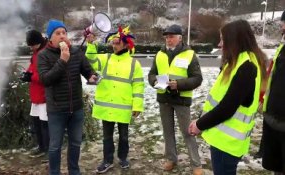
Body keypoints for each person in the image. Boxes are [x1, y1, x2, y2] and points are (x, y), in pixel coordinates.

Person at [188, 19, 267, 175]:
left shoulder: (246, 67)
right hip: (223, 140)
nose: (220, 44)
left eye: (223, 39)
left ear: (235, 40)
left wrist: (200, 124)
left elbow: (227, 108)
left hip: (228, 144)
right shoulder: (239, 62)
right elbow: (219, 98)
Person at [37, 19, 97, 175]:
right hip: (57, 109)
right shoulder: (43, 56)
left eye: (64, 32)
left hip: (76, 108)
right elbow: (46, 79)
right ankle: (54, 172)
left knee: (76, 143)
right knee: (55, 145)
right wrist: (62, 60)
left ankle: (74, 171)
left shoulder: (76, 52)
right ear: (50, 38)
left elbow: (87, 70)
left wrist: (91, 76)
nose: (62, 36)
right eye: (58, 33)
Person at [85, 26, 144, 174]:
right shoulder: (106, 58)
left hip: (123, 106)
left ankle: (123, 157)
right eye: (113, 42)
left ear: (125, 44)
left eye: (117, 42)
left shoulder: (133, 64)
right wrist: (91, 44)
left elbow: (138, 86)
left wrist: (137, 106)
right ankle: (107, 160)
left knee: (124, 136)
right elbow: (91, 60)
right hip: (107, 106)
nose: (114, 45)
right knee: (107, 136)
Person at [148, 24, 203, 175]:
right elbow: (151, 74)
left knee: (188, 132)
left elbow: (197, 79)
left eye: (171, 37)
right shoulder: (160, 54)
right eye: (166, 37)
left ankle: (196, 164)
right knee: (167, 131)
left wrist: (178, 84)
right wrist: (155, 82)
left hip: (182, 99)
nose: (168, 40)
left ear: (180, 38)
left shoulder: (189, 54)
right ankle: (171, 159)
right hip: (164, 98)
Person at [261, 10, 285, 175]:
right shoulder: (282, 47)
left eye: (283, 23)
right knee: (277, 165)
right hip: (273, 117)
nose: (282, 26)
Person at [21, 30, 49, 160]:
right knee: (36, 122)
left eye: (32, 45)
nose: (31, 47)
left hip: (44, 95)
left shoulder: (45, 52)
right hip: (36, 94)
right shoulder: (36, 52)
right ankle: (41, 146)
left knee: (44, 124)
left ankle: (47, 150)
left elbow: (45, 75)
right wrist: (27, 73)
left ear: (38, 42)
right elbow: (33, 67)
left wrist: (31, 77)